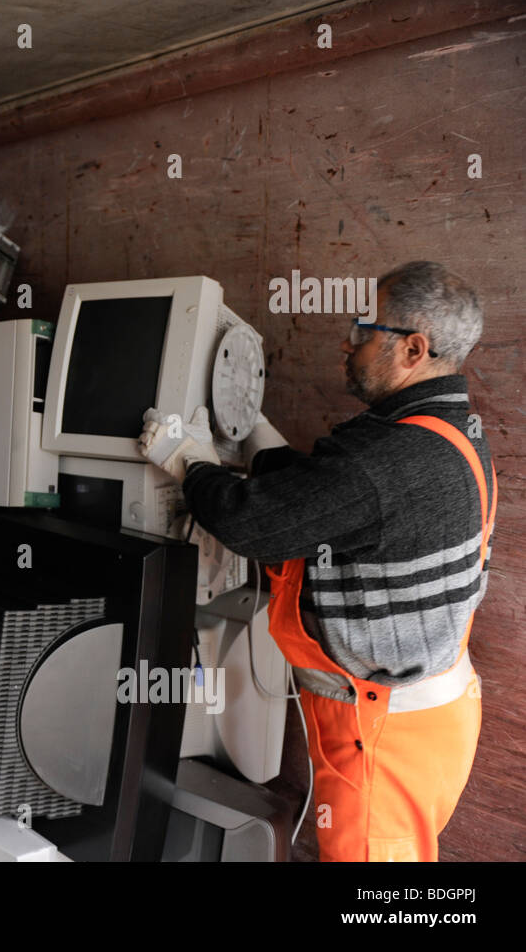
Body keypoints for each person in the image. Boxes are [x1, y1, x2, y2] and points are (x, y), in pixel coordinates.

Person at [138, 261, 496, 862]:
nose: (348, 343)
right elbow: (333, 494)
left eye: (363, 330)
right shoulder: (452, 432)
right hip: (436, 715)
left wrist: (189, 463)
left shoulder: (391, 461)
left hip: (379, 738)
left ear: (413, 348)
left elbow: (252, 523)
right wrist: (253, 432)